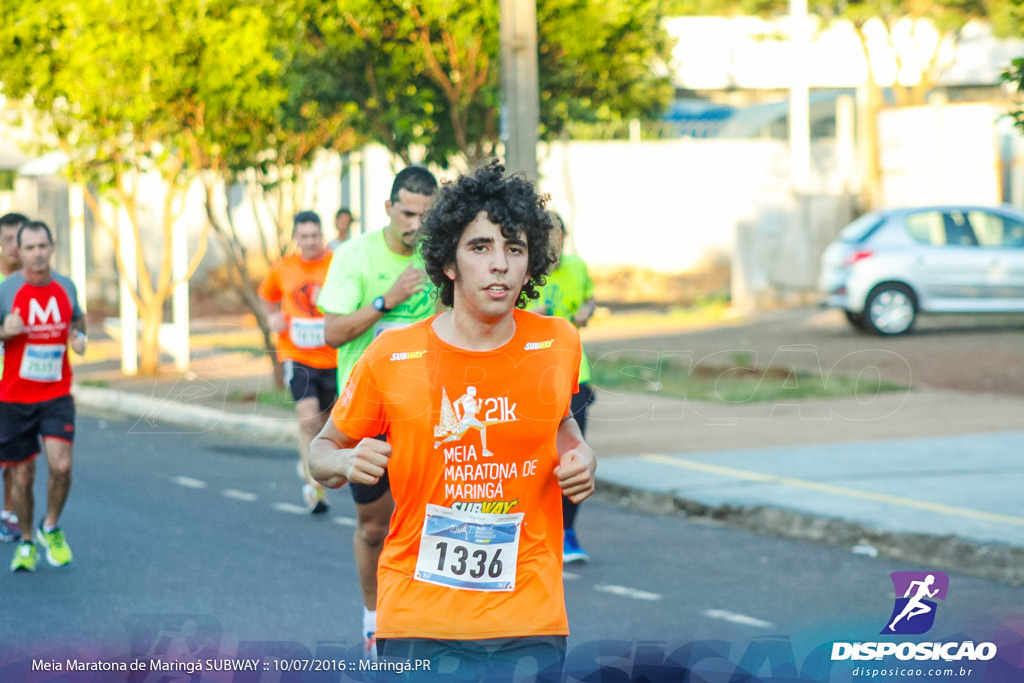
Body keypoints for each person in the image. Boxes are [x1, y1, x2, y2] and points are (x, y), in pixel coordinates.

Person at [309, 160, 596, 681]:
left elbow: (560, 422)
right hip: (419, 613)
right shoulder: (393, 355)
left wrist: (580, 453)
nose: (500, 265)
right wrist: (348, 458)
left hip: (529, 611)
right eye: (480, 247)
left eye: (515, 248)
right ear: (448, 263)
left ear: (530, 264)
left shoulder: (556, 344)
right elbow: (321, 453)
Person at [316, 166, 439, 656]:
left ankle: (427, 619)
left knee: (435, 523)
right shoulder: (355, 256)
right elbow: (333, 333)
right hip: (370, 417)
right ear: (389, 208)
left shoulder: (441, 256)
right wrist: (389, 299)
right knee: (375, 527)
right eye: (408, 213)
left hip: (432, 416)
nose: (416, 224)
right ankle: (373, 617)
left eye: (426, 215)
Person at [0, 221, 87, 572]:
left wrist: (80, 339)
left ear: (53, 247)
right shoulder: (7, 290)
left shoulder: (66, 286)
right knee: (22, 476)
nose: (37, 254)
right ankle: (26, 539)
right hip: (15, 397)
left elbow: (78, 321)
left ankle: (50, 525)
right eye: (30, 248)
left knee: (61, 465)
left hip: (55, 393)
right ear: (19, 252)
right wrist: (5, 331)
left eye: (43, 246)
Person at [528, 211, 597, 563]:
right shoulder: (522, 271)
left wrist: (587, 310)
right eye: (548, 241)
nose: (554, 249)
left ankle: (567, 532)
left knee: (573, 454)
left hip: (574, 374)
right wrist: (528, 316)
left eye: (559, 240)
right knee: (536, 460)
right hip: (530, 378)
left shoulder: (577, 267)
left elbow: (589, 298)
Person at [258, 211, 338, 513]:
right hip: (297, 355)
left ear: (322, 235)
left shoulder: (336, 264)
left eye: (315, 236)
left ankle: (309, 463)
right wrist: (271, 317)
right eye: (304, 237)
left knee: (329, 424)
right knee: (308, 421)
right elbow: (267, 296)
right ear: (296, 238)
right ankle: (315, 489)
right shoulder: (284, 267)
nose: (310, 242)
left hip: (333, 354)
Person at [0, 212, 27, 543]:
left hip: (22, 384)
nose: (14, 247)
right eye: (7, 240)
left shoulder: (34, 283)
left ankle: (8, 512)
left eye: (18, 239)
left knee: (16, 455)